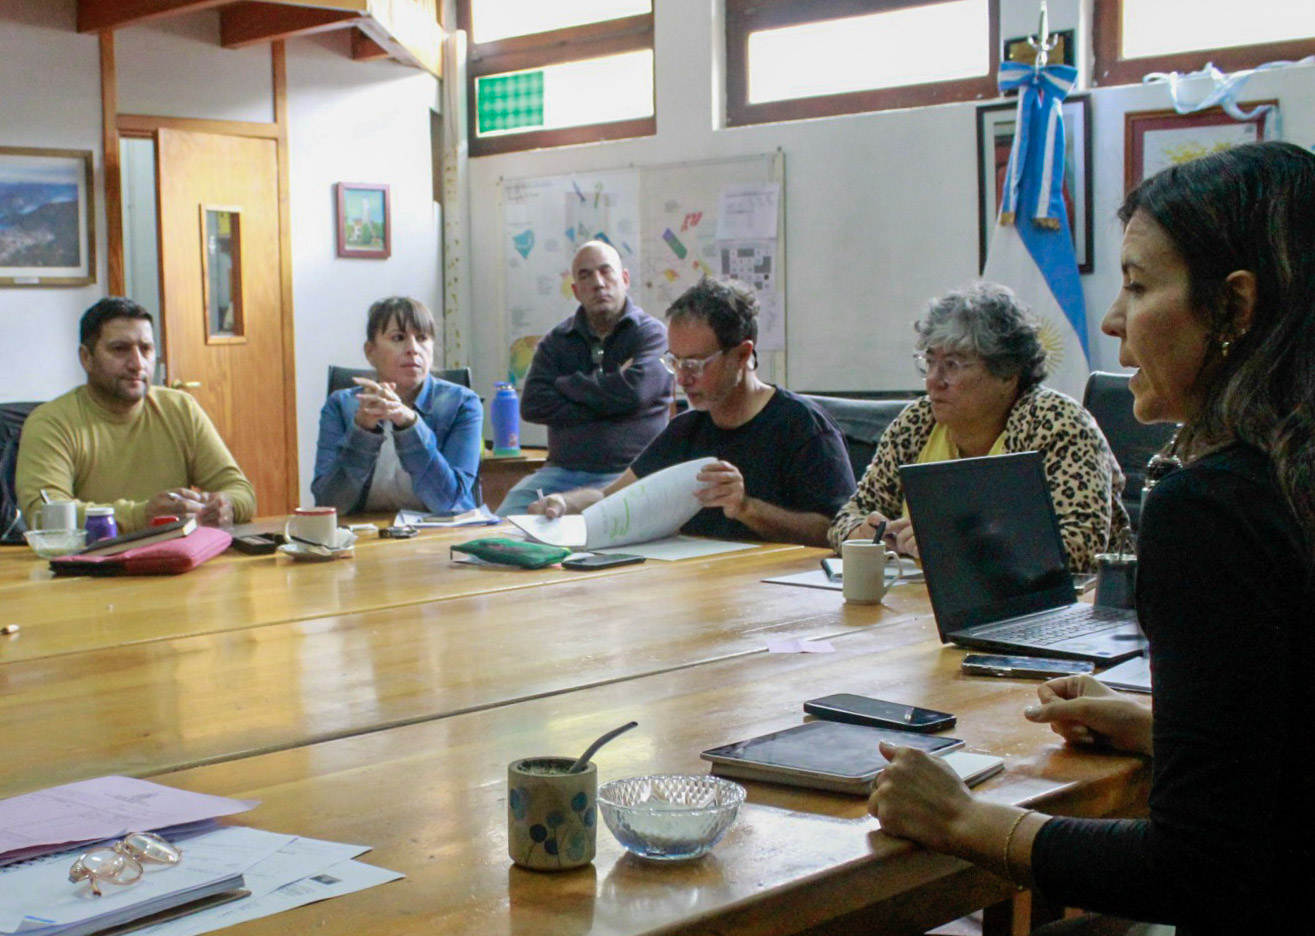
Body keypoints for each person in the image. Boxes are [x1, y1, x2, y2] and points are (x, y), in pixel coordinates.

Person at [868, 142, 1315, 934]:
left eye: (1137, 285)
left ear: (1234, 307)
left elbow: (1195, 868)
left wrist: (965, 820)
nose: (1110, 318)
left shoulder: (1212, 508)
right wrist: (1165, 733)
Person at [827, 282, 1127, 574]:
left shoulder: (1057, 423)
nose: (933, 380)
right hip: (922, 599)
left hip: (1053, 603)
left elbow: (1081, 549)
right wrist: (861, 534)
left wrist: (956, 544)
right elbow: (847, 517)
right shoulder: (917, 423)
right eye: (929, 362)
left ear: (1007, 373)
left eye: (952, 365)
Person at [532, 276, 853, 545]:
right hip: (699, 583)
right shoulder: (687, 429)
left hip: (777, 590)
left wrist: (747, 508)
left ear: (742, 355)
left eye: (696, 364)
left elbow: (839, 531)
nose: (683, 378)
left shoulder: (803, 426)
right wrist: (564, 503)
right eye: (675, 362)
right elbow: (611, 499)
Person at [15, 297, 255, 533]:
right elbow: (45, 514)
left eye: (146, 349)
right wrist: (141, 516)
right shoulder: (50, 422)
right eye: (120, 350)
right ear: (86, 358)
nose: (138, 364)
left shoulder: (181, 408)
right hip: (94, 557)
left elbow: (241, 491)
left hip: (176, 554)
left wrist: (226, 506)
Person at [494, 242, 671, 516]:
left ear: (624, 279)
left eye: (606, 271)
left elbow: (635, 392)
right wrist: (613, 399)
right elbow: (533, 405)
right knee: (504, 523)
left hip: (628, 474)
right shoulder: (557, 341)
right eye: (586, 276)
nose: (598, 283)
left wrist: (566, 385)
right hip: (560, 473)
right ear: (576, 291)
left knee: (604, 530)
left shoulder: (651, 334)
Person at [312, 297, 482, 514]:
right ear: (370, 352)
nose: (413, 349)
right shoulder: (341, 405)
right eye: (398, 338)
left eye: (422, 338)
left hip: (441, 530)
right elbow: (329, 504)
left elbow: (446, 501)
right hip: (366, 531)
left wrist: (409, 424)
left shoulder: (462, 403)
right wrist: (362, 431)